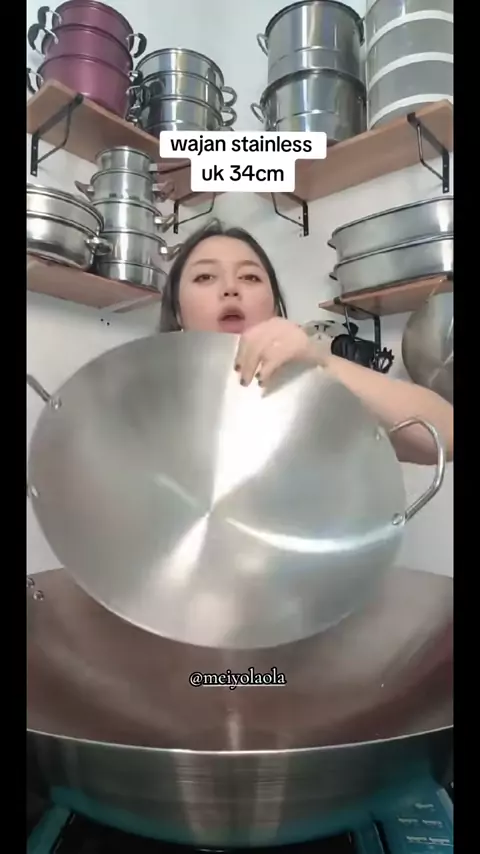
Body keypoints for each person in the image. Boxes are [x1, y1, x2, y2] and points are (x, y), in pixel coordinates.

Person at [159, 220, 453, 466]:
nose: (231, 288)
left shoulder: (309, 395)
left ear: (274, 308)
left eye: (249, 277)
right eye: (205, 276)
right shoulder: (145, 403)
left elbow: (446, 438)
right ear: (177, 311)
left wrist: (322, 363)